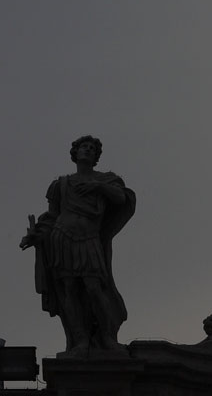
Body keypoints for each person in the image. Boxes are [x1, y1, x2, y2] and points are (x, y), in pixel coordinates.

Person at [20, 136, 135, 355]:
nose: (88, 150)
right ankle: (80, 341)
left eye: (92, 149)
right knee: (69, 290)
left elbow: (121, 198)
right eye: (84, 147)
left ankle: (107, 337)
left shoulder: (107, 179)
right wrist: (37, 236)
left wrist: (97, 186)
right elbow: (53, 215)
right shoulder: (61, 184)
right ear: (75, 153)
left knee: (94, 287)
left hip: (89, 239)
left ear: (96, 157)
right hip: (61, 238)